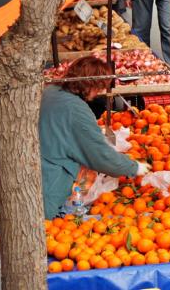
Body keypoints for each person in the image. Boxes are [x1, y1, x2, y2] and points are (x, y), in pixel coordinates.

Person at [40, 57, 148, 219]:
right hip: (50, 185)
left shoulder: (51, 91)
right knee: (61, 223)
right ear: (90, 85)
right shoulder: (76, 110)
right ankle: (65, 214)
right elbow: (99, 154)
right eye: (99, 88)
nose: (99, 93)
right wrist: (134, 168)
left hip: (38, 168)